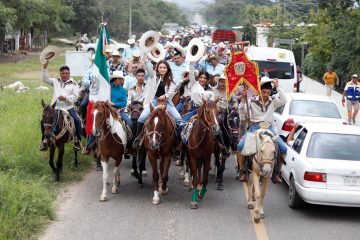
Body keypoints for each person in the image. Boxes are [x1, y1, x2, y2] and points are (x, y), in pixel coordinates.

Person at [237, 77, 287, 183]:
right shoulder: (251, 100)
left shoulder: (273, 101)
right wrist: (243, 99)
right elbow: (243, 112)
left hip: (268, 128)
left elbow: (284, 100)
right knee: (240, 146)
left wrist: (277, 86)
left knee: (283, 148)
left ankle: (276, 173)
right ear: (259, 91)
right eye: (263, 92)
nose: (265, 95)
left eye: (268, 92)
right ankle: (243, 171)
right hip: (255, 127)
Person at [133, 59, 182, 148]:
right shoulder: (153, 77)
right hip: (154, 101)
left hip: (166, 102)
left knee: (179, 119)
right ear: (157, 68)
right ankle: (138, 138)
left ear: (167, 69)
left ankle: (177, 141)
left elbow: (172, 91)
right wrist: (145, 55)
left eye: (164, 67)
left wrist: (166, 96)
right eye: (160, 67)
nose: (162, 69)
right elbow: (147, 67)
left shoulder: (171, 80)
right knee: (142, 118)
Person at [40, 62, 82, 151]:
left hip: (68, 107)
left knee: (77, 120)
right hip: (54, 108)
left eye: (66, 73)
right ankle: (44, 140)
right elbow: (45, 79)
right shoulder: (55, 81)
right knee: (44, 120)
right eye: (63, 73)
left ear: (69, 74)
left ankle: (77, 140)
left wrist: (66, 98)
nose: (64, 75)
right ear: (60, 74)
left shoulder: (74, 84)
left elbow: (75, 97)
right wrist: (44, 68)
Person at [211, 75, 238, 158]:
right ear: (218, 82)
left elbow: (235, 102)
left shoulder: (230, 91)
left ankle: (234, 143)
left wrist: (234, 106)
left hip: (227, 112)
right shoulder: (212, 90)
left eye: (225, 82)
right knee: (217, 126)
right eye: (222, 82)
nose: (223, 84)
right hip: (214, 112)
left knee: (235, 122)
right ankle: (221, 146)